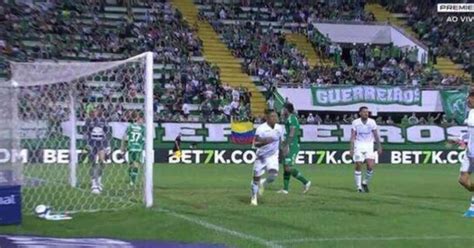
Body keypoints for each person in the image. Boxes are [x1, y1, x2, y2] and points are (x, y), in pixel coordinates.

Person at [251, 109, 284, 206]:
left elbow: (281, 141)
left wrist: (284, 150)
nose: (275, 118)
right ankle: (253, 197)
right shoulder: (261, 129)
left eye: (276, 116)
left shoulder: (279, 128)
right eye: (272, 116)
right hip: (261, 156)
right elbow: (255, 144)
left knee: (273, 175)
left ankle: (263, 183)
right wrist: (265, 141)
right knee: (256, 178)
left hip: (273, 155)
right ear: (267, 118)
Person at [449, 92, 474, 217]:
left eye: (470, 99)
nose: (468, 102)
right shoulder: (471, 113)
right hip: (470, 153)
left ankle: (472, 208)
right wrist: (459, 139)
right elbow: (470, 133)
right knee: (463, 180)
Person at [278, 103, 311, 194]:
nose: (281, 111)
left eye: (283, 109)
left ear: (287, 110)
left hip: (292, 145)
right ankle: (285, 189)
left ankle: (306, 182)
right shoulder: (288, 119)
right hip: (289, 144)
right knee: (285, 167)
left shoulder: (292, 118)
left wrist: (286, 145)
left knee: (288, 167)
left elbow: (292, 134)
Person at [350, 106, 382, 193]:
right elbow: (353, 136)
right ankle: (359, 187)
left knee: (370, 166)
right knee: (358, 164)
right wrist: (351, 148)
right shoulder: (355, 122)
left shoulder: (372, 122)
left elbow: (376, 135)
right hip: (359, 145)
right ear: (360, 113)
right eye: (364, 112)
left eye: (367, 112)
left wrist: (379, 146)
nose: (366, 113)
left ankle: (365, 182)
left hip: (369, 145)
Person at [84, 108, 110, 194]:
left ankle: (99, 180)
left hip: (101, 143)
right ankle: (93, 183)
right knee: (93, 163)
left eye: (96, 111)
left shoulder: (103, 120)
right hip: (92, 143)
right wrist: (87, 143)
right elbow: (86, 133)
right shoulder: (88, 121)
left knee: (102, 162)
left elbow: (106, 133)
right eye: (93, 111)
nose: (95, 112)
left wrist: (107, 145)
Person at [121, 112, 145, 186]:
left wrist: (122, 146)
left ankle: (132, 181)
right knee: (132, 165)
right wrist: (122, 146)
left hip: (135, 148)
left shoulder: (131, 127)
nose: (143, 121)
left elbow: (124, 136)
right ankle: (132, 178)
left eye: (143, 120)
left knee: (135, 164)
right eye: (142, 120)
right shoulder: (140, 128)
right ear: (138, 119)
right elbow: (124, 136)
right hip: (133, 148)